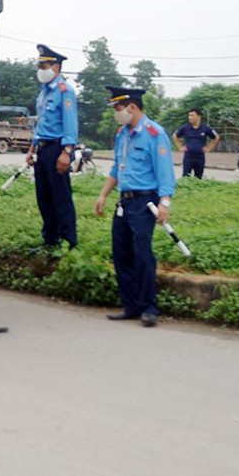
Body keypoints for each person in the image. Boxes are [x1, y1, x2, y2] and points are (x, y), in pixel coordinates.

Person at [93, 86, 175, 327]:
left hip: (144, 201)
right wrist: (103, 195)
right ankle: (130, 306)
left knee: (142, 254)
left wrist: (165, 203)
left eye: (118, 107)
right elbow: (116, 168)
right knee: (121, 253)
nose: (115, 113)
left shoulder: (154, 133)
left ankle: (149, 308)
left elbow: (165, 172)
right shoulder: (122, 134)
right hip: (124, 201)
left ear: (132, 107)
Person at [25, 44, 79, 252]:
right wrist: (32, 148)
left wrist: (67, 152)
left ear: (56, 67)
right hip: (42, 148)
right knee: (44, 196)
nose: (40, 69)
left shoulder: (65, 91)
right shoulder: (44, 92)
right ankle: (50, 239)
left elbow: (70, 123)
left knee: (61, 196)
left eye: (44, 65)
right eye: (39, 65)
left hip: (58, 149)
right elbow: (41, 123)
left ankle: (70, 241)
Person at [172, 108, 219, 178]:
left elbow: (216, 137)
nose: (190, 117)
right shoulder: (185, 127)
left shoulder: (205, 128)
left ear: (199, 117)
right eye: (189, 115)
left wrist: (209, 148)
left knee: (198, 177)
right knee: (185, 177)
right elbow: (175, 136)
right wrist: (180, 147)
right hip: (188, 157)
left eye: (192, 115)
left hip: (200, 158)